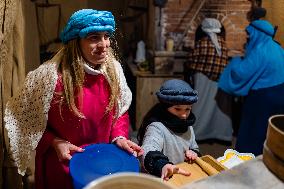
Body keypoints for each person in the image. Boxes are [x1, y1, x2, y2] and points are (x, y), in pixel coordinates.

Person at [4, 9, 143, 189]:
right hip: (64, 165)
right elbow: (22, 118)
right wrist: (55, 142)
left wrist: (119, 136)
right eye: (94, 37)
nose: (104, 45)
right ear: (75, 42)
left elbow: (120, 111)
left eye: (106, 36)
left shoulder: (113, 71)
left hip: (100, 164)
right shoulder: (49, 77)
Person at [218, 20, 284, 156]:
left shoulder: (260, 50)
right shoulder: (276, 47)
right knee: (270, 130)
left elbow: (241, 73)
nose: (247, 36)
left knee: (254, 130)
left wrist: (236, 60)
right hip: (279, 93)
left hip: (263, 97)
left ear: (258, 33)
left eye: (249, 33)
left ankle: (248, 157)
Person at [137, 79, 200, 180]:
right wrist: (163, 166)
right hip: (159, 178)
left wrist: (193, 152)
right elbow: (148, 150)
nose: (184, 115)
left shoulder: (188, 127)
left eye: (188, 109)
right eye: (178, 109)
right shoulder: (157, 127)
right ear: (165, 107)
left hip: (179, 176)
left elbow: (194, 146)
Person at [185, 18, 233, 142]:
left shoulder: (202, 42)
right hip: (218, 81)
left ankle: (199, 134)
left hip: (202, 78)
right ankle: (220, 134)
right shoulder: (223, 43)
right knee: (217, 107)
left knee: (200, 105)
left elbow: (191, 60)